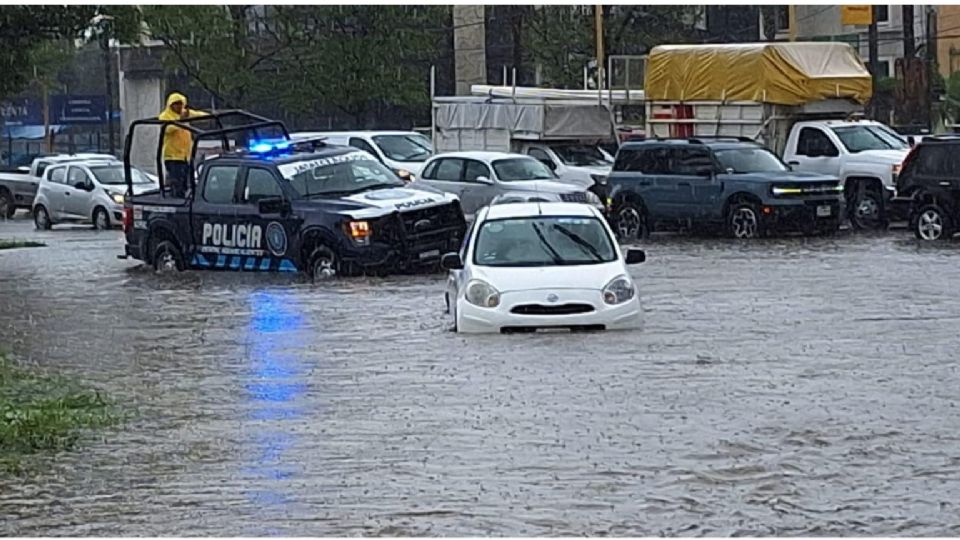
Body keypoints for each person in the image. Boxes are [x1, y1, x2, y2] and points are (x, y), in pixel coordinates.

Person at [158, 92, 207, 197]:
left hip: (185, 156)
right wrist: (181, 120)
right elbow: (168, 129)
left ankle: (183, 197)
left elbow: (197, 115)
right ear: (170, 105)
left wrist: (210, 116)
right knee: (177, 181)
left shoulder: (185, 113)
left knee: (186, 181)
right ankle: (176, 199)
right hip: (173, 156)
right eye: (176, 104)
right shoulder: (165, 116)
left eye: (180, 103)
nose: (178, 106)